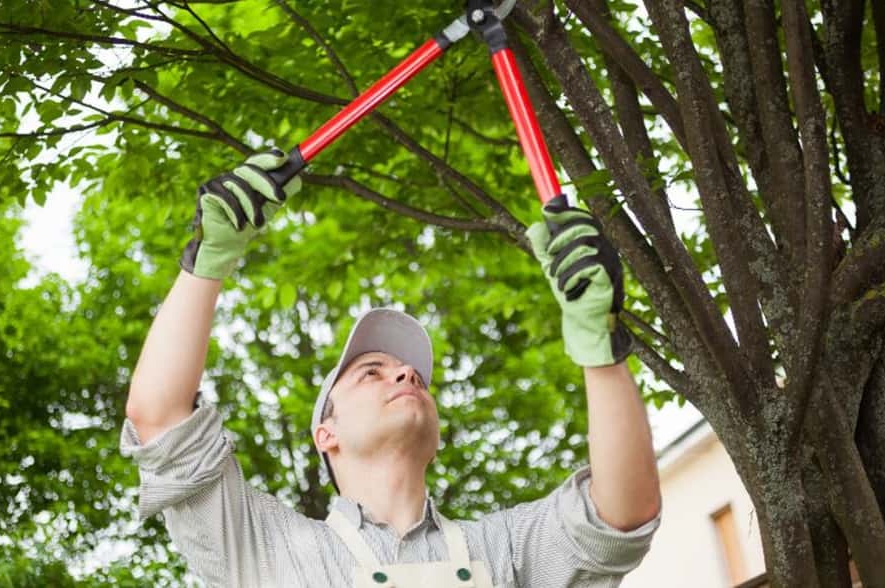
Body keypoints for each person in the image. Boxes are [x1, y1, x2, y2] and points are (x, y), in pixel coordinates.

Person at [121, 151, 661, 587]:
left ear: (438, 437)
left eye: (416, 378)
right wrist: (207, 261)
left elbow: (622, 515)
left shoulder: (504, 549)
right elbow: (160, 419)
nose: (405, 375)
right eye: (372, 372)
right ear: (324, 433)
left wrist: (600, 346)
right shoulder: (266, 550)